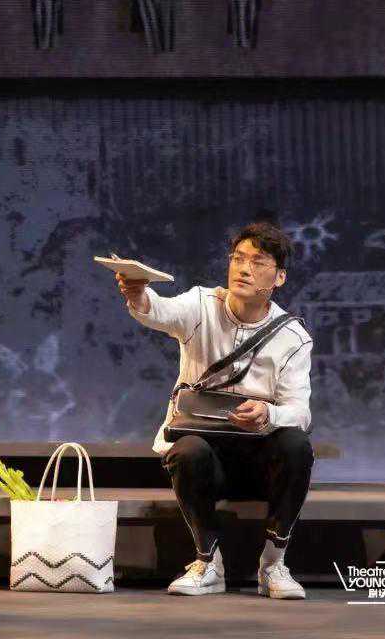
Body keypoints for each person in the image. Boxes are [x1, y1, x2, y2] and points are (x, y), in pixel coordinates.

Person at [116, 222, 314, 599]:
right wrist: (138, 294)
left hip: (260, 459)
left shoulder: (293, 338)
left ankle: (274, 564)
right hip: (208, 456)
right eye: (238, 259)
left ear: (280, 277)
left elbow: (300, 412)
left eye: (258, 262)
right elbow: (159, 310)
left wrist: (268, 414)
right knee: (186, 450)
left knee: (296, 445)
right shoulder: (201, 305)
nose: (244, 269)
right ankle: (208, 562)